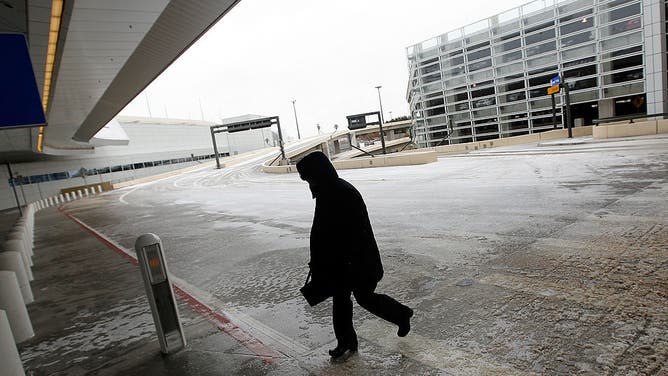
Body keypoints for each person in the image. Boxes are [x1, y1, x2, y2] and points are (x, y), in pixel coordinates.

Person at [296, 151, 413, 359]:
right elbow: (322, 232)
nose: (309, 183)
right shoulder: (327, 191)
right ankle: (346, 342)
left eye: (309, 178)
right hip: (343, 262)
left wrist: (334, 261)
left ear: (318, 173)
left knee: (364, 297)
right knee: (341, 300)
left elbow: (349, 233)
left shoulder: (341, 192)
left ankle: (401, 314)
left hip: (357, 260)